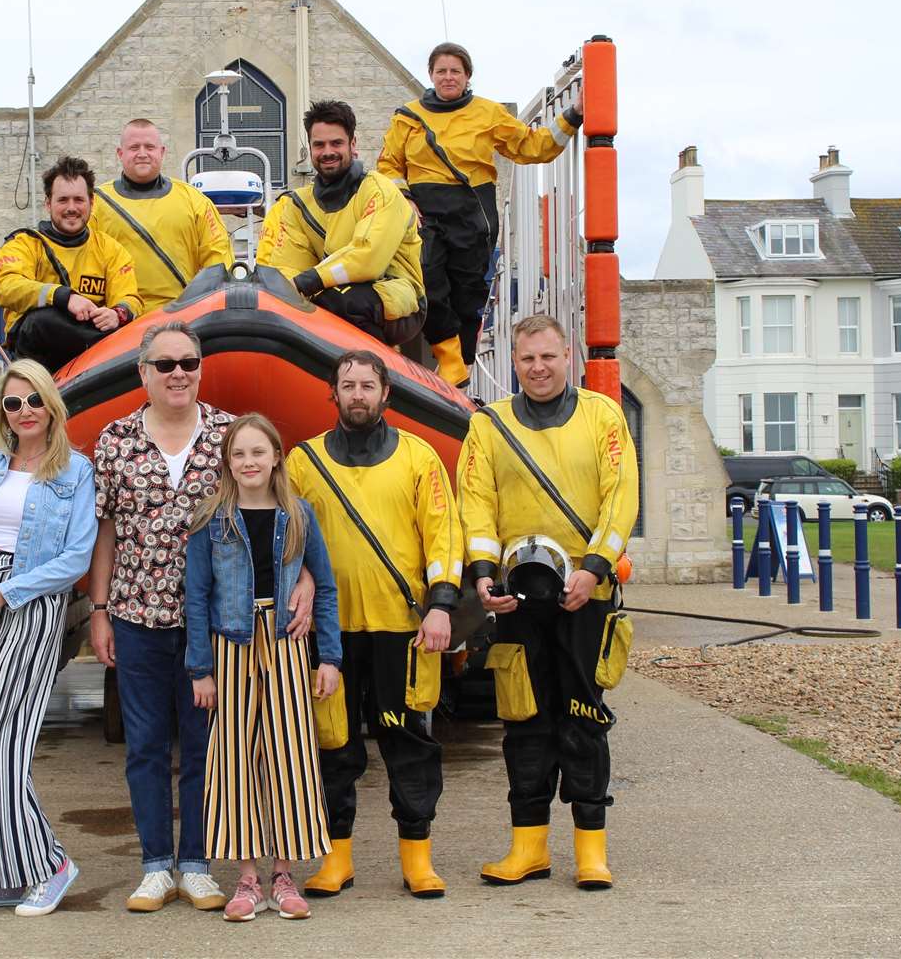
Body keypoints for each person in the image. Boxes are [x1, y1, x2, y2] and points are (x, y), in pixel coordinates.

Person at [457, 314, 638, 890]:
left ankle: (591, 849)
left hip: (586, 596)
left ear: (568, 356)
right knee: (523, 723)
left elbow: (620, 497)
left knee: (584, 720)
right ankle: (528, 846)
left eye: (548, 356)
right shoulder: (489, 427)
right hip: (517, 601)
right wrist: (483, 573)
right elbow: (476, 501)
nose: (538, 367)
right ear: (514, 361)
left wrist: (594, 568)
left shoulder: (603, 417)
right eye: (527, 358)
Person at [285, 349, 461, 900]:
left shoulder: (420, 458)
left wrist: (441, 604)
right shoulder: (302, 463)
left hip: (401, 631)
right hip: (328, 636)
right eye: (348, 385)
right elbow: (287, 542)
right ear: (331, 395)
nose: (358, 394)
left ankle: (417, 857)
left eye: (368, 384)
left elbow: (443, 537)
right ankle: (336, 858)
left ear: (386, 393)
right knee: (333, 746)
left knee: (408, 743)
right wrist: (302, 583)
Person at [89, 321, 233, 914]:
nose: (179, 373)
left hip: (210, 619)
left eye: (189, 363)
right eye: (166, 364)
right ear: (142, 372)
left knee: (203, 745)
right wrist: (98, 611)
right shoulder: (115, 439)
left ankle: (196, 863)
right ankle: (155, 864)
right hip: (135, 614)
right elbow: (104, 532)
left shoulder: (228, 433)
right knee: (145, 744)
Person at [184, 413, 341, 923]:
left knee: (290, 757)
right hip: (231, 645)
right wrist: (200, 669)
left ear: (277, 456)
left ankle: (284, 872)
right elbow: (197, 596)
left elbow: (326, 587)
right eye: (239, 454)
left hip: (286, 645)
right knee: (233, 763)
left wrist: (330, 657)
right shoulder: (213, 519)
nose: (249, 462)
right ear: (227, 463)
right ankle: (246, 877)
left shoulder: (299, 515)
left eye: (258, 452)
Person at [0, 358, 94, 917]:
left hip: (30, 603)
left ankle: (49, 864)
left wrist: (6, 593)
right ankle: (4, 871)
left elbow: (76, 557)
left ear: (50, 404)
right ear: (1, 413)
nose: (24, 411)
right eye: (12, 403)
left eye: (33, 399)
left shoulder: (74, 471)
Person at [377, 42, 584, 386]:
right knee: (426, 278)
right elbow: (387, 166)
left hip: (473, 211)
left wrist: (574, 114)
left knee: (469, 293)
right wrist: (404, 198)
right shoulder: (407, 116)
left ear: (467, 76)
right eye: (441, 71)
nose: (448, 77)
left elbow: (533, 146)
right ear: (431, 75)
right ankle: (450, 357)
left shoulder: (488, 113)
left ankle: (464, 368)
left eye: (455, 71)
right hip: (425, 211)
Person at [256, 100, 426, 348]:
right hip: (331, 292)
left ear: (353, 144)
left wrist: (307, 283)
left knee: (347, 301)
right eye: (319, 145)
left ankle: (372, 375)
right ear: (310, 148)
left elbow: (368, 258)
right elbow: (289, 267)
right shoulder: (297, 205)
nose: (328, 152)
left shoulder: (379, 191)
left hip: (397, 292)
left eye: (336, 143)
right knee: (298, 305)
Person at [0, 156, 143, 373]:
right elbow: (6, 287)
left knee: (135, 333)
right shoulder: (24, 244)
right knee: (41, 321)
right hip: (37, 358)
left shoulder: (111, 250)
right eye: (63, 200)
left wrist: (117, 314)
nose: (71, 208)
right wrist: (64, 297)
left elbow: (131, 298)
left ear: (92, 202)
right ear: (48, 203)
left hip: (95, 360)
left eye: (78, 200)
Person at [90, 118, 233, 312]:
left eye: (149, 147)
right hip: (119, 320)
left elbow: (219, 264)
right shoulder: (96, 203)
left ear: (162, 152)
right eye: (134, 147)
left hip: (181, 317)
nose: (142, 154)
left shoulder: (194, 201)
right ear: (120, 153)